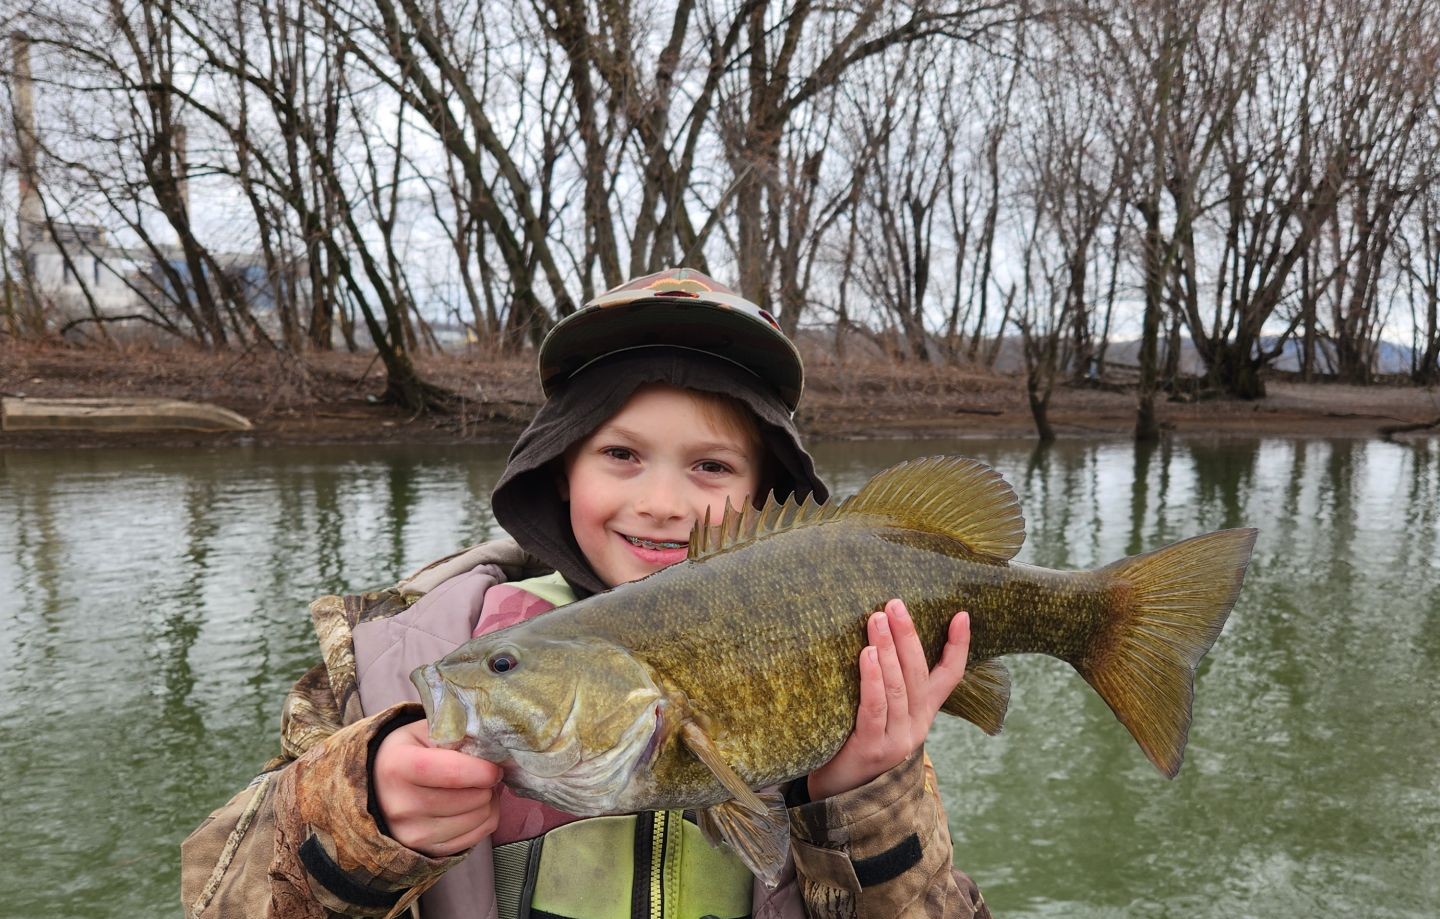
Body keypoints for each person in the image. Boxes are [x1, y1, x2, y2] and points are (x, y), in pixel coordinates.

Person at [181, 268, 992, 919]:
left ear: (764, 494)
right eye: (621, 454)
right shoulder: (392, 661)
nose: (663, 502)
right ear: (561, 465)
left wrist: (863, 802)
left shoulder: (844, 658)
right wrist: (363, 816)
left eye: (711, 465)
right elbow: (218, 897)